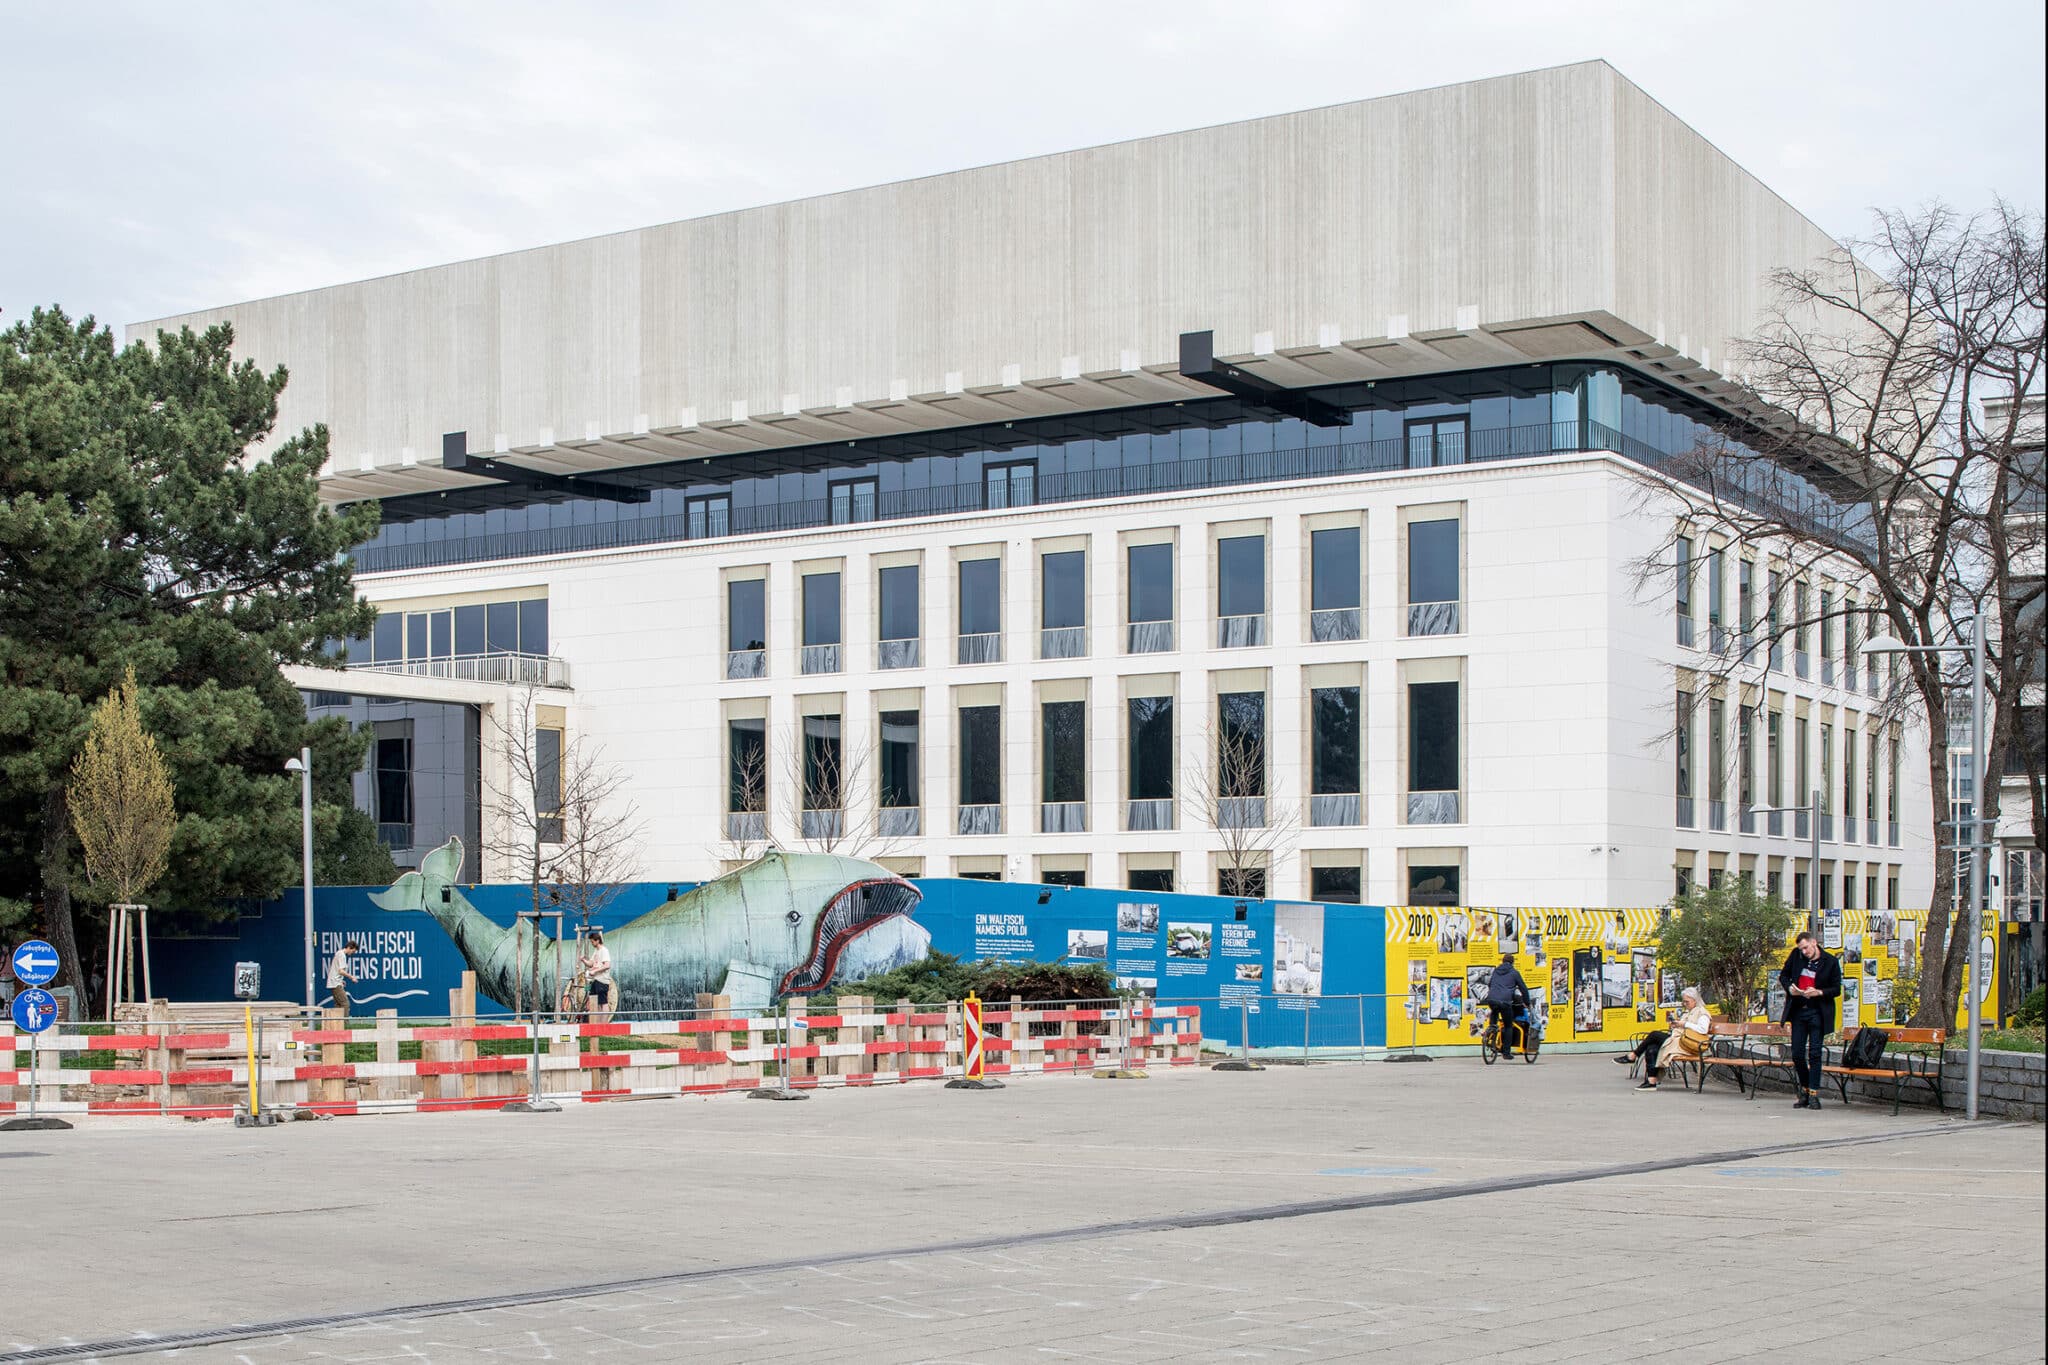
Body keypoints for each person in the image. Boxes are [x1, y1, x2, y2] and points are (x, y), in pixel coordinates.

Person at [1777, 930, 1842, 1109]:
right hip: (1799, 1010)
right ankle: (1804, 1090)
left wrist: (1819, 992)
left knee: (1815, 1053)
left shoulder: (1830, 961)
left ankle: (1813, 1093)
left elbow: (1836, 989)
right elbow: (1784, 975)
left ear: (1813, 943)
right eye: (1801, 949)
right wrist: (1791, 988)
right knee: (1797, 1053)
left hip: (1817, 1012)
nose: (1804, 952)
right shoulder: (1796, 956)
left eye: (1806, 948)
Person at [1615, 986, 1711, 1091]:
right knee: (1652, 1048)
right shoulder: (1689, 1012)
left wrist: (1684, 1024)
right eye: (1683, 1001)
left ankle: (1633, 1056)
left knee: (1654, 1034)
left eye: (1686, 1002)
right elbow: (1686, 1027)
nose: (1684, 1004)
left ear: (1695, 1000)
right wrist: (1677, 1025)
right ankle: (1651, 1082)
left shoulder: (1702, 1013)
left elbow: (1703, 1030)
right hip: (1679, 1041)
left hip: (1689, 1045)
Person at [1485, 953, 1531, 1053]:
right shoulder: (1514, 973)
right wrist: (1527, 1002)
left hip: (1491, 999)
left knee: (1494, 1012)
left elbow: (1490, 984)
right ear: (1512, 962)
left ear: (1502, 961)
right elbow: (1523, 988)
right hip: (1505, 1001)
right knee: (1508, 1025)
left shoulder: (1496, 971)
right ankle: (1506, 1052)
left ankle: (1490, 1034)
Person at [580, 929, 615, 1024]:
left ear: (597, 940)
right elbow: (592, 963)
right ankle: (598, 1023)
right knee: (596, 1002)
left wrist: (595, 970)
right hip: (595, 980)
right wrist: (583, 960)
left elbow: (607, 965)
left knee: (603, 1002)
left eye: (592, 942)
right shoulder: (596, 951)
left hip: (602, 980)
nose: (592, 943)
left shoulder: (604, 951)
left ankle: (604, 1024)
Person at [326, 942, 358, 1018]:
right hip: (335, 983)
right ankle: (345, 1024)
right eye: (353, 951)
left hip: (334, 982)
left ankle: (336, 1025)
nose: (352, 953)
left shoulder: (338, 953)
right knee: (345, 1003)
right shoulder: (342, 955)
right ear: (349, 947)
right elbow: (341, 971)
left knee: (338, 1005)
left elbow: (336, 970)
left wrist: (341, 980)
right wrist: (352, 977)